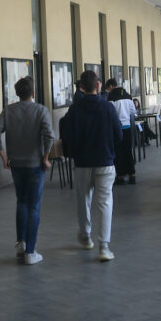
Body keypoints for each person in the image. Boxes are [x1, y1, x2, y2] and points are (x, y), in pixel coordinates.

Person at [0, 76, 55, 265]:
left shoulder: (8, 111)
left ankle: (21, 243)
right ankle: (31, 252)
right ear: (33, 93)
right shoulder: (41, 110)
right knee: (34, 206)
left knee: (21, 202)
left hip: (16, 165)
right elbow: (49, 135)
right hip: (35, 165)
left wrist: (4, 157)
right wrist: (46, 158)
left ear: (17, 93)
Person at [59, 70, 123, 262]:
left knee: (83, 200)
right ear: (98, 85)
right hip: (105, 161)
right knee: (105, 203)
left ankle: (85, 235)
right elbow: (118, 134)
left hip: (82, 163)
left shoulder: (75, 109)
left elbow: (67, 136)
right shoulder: (108, 107)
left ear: (81, 87)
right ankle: (104, 246)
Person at [109, 85, 138, 185]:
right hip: (127, 127)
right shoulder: (128, 98)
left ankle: (120, 175)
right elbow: (133, 112)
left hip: (116, 129)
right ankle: (131, 175)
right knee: (128, 151)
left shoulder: (112, 99)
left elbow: (110, 114)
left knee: (118, 153)